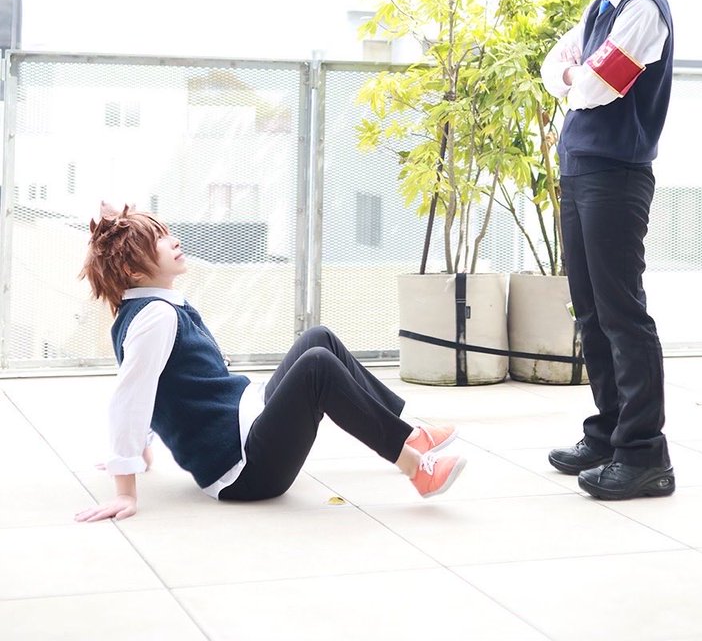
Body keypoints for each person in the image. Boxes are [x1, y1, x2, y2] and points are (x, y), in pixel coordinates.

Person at [75, 203, 466, 522]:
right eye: (158, 240)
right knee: (317, 366)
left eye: (165, 233)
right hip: (244, 471)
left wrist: (141, 449)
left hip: (243, 424)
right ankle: (417, 468)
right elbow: (131, 397)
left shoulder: (153, 307)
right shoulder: (156, 317)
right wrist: (125, 487)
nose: (173, 240)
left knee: (319, 338)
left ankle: (410, 434)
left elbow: (160, 389)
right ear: (133, 271)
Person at [540, 0, 675, 501]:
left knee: (622, 311)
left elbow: (598, 86)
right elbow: (556, 67)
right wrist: (576, 74)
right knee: (591, 309)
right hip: (583, 169)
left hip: (616, 175)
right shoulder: (605, 6)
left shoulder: (644, 8)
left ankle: (644, 454)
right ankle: (611, 433)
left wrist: (577, 75)